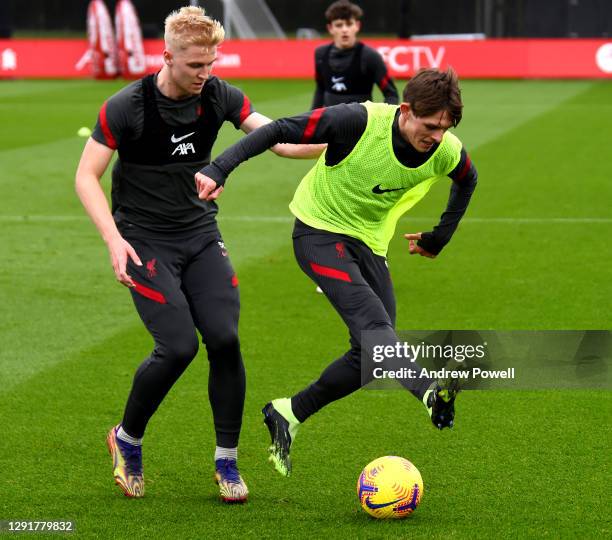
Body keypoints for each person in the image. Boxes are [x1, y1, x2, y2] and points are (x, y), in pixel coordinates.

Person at [75, 5, 322, 501]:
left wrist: (343, 133)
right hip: (143, 239)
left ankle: (227, 463)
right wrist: (113, 240)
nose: (204, 74)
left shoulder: (219, 95)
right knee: (179, 346)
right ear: (167, 56)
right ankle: (127, 439)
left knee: (225, 339)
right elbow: (86, 176)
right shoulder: (128, 105)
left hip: (200, 235)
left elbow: (280, 142)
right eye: (194, 65)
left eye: (211, 63)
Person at [195, 67, 478, 477]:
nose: (435, 136)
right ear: (405, 111)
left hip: (368, 243)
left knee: (372, 355)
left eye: (444, 127)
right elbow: (279, 130)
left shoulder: (447, 149)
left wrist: (439, 237)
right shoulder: (357, 121)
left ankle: (288, 413)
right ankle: (430, 393)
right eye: (430, 125)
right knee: (378, 329)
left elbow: (467, 180)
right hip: (318, 234)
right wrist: (220, 167)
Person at [311, 0, 399, 110]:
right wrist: (312, 120)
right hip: (330, 124)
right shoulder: (320, 54)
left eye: (349, 24)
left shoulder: (370, 57)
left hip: (360, 125)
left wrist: (382, 122)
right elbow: (320, 89)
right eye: (339, 25)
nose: (344, 30)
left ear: (357, 26)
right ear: (330, 28)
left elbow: (391, 95)